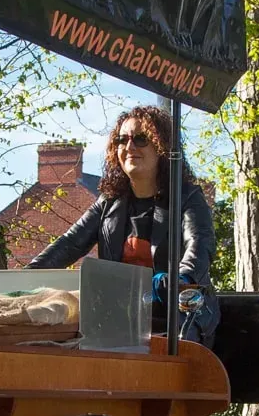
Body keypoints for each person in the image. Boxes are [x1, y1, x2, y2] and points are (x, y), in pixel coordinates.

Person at [29, 105, 220, 344]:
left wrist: (180, 279)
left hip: (178, 318)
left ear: (162, 147)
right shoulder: (108, 203)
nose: (129, 147)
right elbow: (68, 245)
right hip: (120, 318)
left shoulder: (187, 197)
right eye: (122, 139)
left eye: (141, 139)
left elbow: (199, 245)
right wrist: (26, 278)